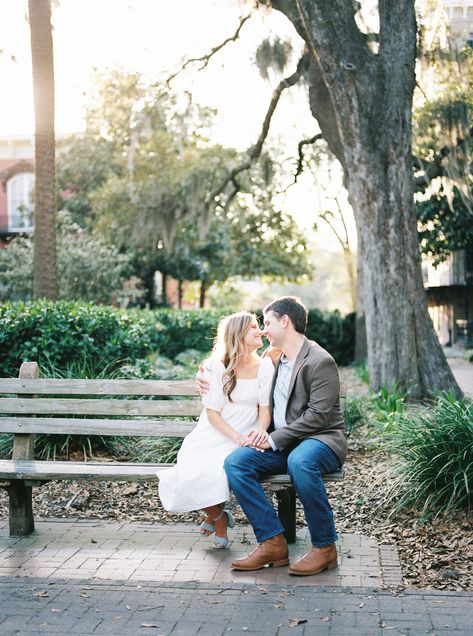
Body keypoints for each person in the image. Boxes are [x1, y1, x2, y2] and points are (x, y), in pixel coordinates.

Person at [197, 296, 347, 575]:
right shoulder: (272, 358)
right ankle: (272, 542)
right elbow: (233, 365)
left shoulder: (319, 360)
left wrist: (273, 439)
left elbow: (319, 416)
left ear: (285, 322)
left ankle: (325, 548)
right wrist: (204, 374)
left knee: (301, 461)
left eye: (267, 323)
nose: (264, 330)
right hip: (284, 443)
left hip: (321, 440)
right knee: (236, 463)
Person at [157, 311, 274, 549]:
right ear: (238, 334)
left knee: (219, 472)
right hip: (214, 432)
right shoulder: (214, 366)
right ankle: (220, 518)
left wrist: (260, 430)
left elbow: (265, 409)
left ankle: (213, 516)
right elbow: (212, 413)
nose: (259, 330)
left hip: (247, 432)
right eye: (253, 327)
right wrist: (237, 437)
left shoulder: (265, 366)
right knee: (189, 473)